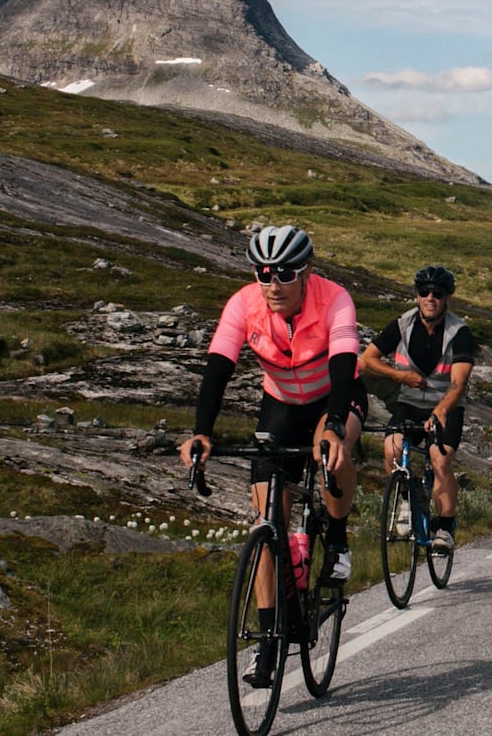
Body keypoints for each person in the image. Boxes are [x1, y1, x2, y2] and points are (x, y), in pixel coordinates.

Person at [178, 225, 366, 689]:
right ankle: (267, 640)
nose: (272, 283)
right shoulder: (244, 304)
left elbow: (343, 361)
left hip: (333, 397)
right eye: (263, 272)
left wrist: (338, 424)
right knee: (266, 522)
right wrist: (202, 432)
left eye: (284, 273)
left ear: (306, 273)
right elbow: (218, 366)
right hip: (280, 402)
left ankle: (337, 539)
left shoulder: (335, 299)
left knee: (332, 452)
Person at [359, 265, 477, 555]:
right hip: (409, 401)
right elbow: (368, 358)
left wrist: (440, 410)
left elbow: (459, 384)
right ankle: (405, 503)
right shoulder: (402, 324)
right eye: (424, 293)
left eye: (437, 294)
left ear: (447, 298)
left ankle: (445, 528)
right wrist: (399, 376)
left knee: (440, 459)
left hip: (447, 406)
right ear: (417, 296)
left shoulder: (459, 333)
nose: (430, 298)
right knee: (392, 449)